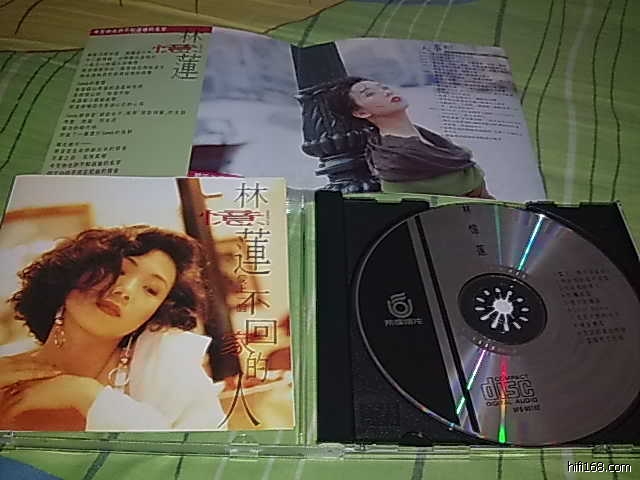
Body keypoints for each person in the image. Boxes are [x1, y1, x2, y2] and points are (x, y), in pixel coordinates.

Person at [0, 225, 227, 431]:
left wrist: (88, 397)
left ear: (157, 314)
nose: (125, 290)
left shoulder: (168, 374)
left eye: (150, 289)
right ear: (74, 273)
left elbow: (200, 455)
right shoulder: (7, 371)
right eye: (119, 270)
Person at [326, 76, 495, 199]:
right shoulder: (395, 157)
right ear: (361, 112)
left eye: (383, 87)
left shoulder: (429, 138)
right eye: (370, 94)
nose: (386, 92)